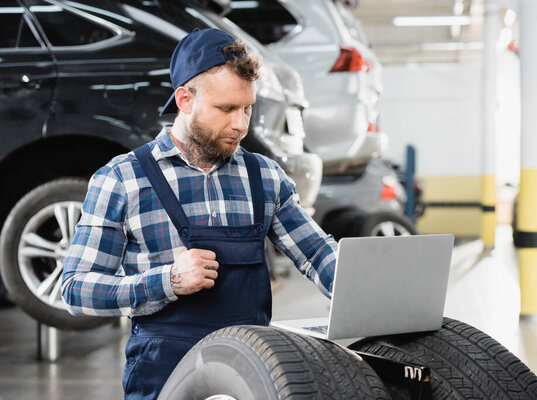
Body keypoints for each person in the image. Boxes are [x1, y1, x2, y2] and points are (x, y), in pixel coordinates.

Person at [61, 28, 337, 400]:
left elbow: (318, 254)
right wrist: (166, 281)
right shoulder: (123, 179)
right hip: (164, 375)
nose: (241, 124)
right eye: (226, 109)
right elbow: (76, 289)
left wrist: (360, 289)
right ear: (185, 100)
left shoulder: (265, 177)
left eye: (247, 108)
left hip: (250, 370)